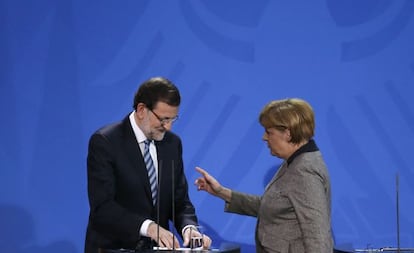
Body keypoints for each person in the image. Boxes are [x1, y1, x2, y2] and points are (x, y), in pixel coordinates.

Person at [85, 77, 212, 253]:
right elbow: (103, 207)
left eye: (173, 120)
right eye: (163, 119)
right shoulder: (106, 142)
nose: (168, 127)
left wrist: (189, 228)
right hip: (113, 248)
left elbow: (180, 201)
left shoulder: (172, 144)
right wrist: (149, 227)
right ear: (142, 110)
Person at [195, 98, 333, 253]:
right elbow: (274, 207)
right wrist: (221, 192)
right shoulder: (295, 162)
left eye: (269, 132)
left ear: (287, 133)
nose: (264, 137)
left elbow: (317, 235)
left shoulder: (304, 170)